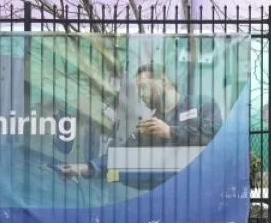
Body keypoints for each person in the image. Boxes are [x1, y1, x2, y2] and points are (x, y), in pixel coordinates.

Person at [60, 64, 222, 179]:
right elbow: (125, 156)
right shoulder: (150, 125)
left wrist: (170, 132)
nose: (141, 95)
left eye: (143, 87)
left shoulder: (201, 104)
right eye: (138, 91)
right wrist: (87, 167)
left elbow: (215, 135)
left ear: (164, 81)